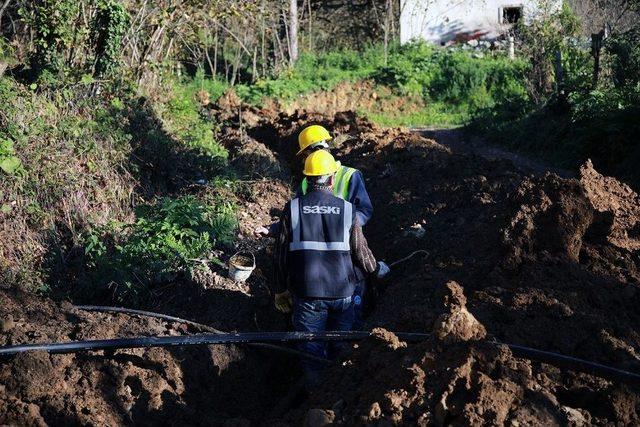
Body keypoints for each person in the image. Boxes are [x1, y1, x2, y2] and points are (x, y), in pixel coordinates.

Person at [271, 150, 389, 384]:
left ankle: (315, 396)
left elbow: (280, 256)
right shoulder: (347, 210)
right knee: (341, 345)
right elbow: (360, 252)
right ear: (332, 179)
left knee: (311, 350)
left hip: (307, 294)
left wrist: (279, 289)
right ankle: (339, 393)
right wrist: (377, 271)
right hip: (343, 294)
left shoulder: (293, 208)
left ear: (307, 179)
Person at [255, 124, 374, 327]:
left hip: (343, 248)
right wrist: (272, 229)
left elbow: (364, 211)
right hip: (322, 250)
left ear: (316, 149)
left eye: (306, 153)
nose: (304, 158)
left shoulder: (350, 176)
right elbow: (296, 216)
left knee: (354, 292)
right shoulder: (305, 182)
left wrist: (343, 226)